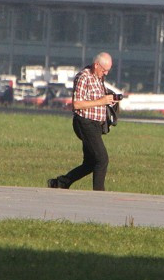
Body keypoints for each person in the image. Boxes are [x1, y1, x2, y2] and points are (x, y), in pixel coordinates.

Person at [48, 52, 117, 192]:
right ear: (96, 65)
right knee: (102, 159)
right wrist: (101, 101)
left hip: (97, 125)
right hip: (85, 122)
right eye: (104, 70)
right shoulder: (83, 77)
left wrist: (109, 100)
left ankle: (60, 183)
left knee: (90, 163)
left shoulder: (99, 78)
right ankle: (99, 193)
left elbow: (97, 99)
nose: (106, 73)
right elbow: (77, 104)